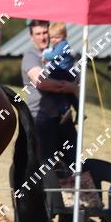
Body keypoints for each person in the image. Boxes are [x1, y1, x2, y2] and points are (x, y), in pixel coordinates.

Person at [20, 20, 78, 167]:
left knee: (75, 163)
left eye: (45, 33)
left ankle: (78, 182)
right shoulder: (31, 56)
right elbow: (41, 82)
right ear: (31, 37)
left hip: (64, 119)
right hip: (41, 120)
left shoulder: (60, 50)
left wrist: (72, 85)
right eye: (38, 34)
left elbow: (77, 79)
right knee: (46, 166)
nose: (42, 37)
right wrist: (67, 86)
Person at [42, 21, 78, 120]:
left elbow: (55, 55)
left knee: (56, 89)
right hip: (64, 71)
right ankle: (78, 110)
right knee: (69, 94)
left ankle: (64, 110)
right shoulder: (59, 44)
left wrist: (45, 56)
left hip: (62, 71)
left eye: (57, 37)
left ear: (64, 36)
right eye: (52, 38)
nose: (54, 40)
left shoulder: (63, 44)